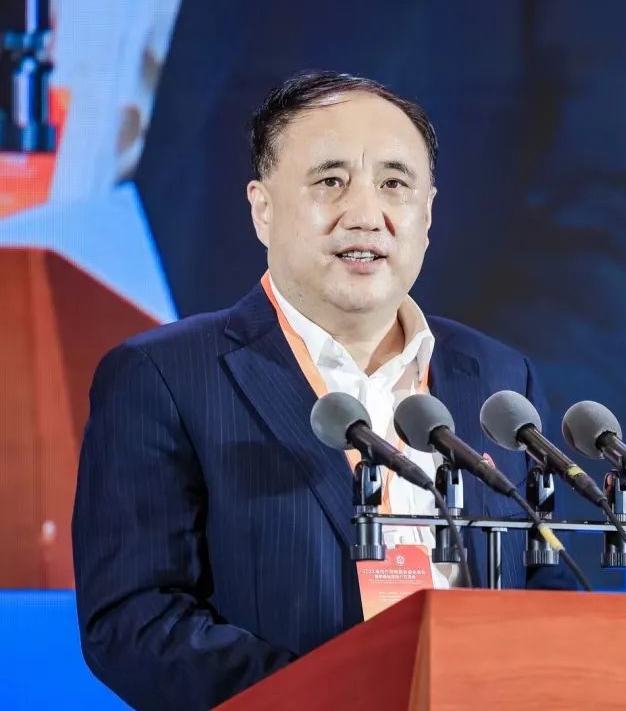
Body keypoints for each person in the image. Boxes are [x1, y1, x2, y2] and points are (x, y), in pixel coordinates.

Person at [72, 71, 575, 711]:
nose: (365, 215)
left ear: (427, 213)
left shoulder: (499, 377)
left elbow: (545, 578)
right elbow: (136, 621)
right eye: (330, 180)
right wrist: (333, 698)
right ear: (262, 209)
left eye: (394, 184)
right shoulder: (163, 375)